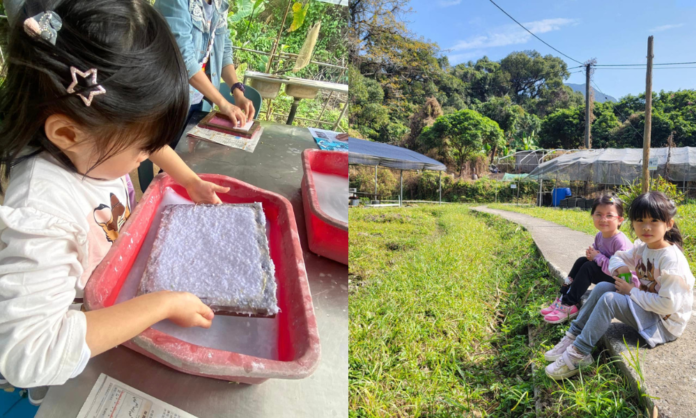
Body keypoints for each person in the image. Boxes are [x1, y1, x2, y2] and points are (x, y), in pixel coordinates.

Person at [0, 0, 229, 405]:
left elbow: (144, 138)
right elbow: (28, 354)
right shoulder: (42, 210)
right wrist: (162, 303)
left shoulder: (89, 143)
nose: (149, 154)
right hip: (63, 365)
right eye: (143, 149)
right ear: (67, 133)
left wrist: (189, 180)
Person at [544, 191, 694, 380]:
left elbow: (668, 305)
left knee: (609, 300)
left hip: (664, 324)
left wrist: (631, 291)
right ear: (632, 224)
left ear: (668, 224)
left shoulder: (671, 260)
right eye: (640, 221)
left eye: (654, 221)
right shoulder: (643, 247)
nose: (646, 227)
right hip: (648, 308)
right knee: (601, 288)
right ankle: (573, 336)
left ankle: (579, 354)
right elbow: (617, 258)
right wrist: (622, 269)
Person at [541, 195, 637, 324]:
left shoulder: (619, 241)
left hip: (623, 283)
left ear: (620, 220)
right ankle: (563, 297)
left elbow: (622, 271)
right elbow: (598, 257)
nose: (603, 219)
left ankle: (569, 305)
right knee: (582, 261)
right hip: (609, 274)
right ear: (592, 216)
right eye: (599, 214)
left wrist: (597, 257)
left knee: (589, 267)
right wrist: (591, 255)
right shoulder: (599, 236)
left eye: (609, 216)